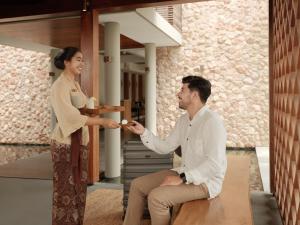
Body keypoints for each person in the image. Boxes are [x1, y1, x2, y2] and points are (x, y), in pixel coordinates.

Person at [123, 75, 227, 225]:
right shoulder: (183, 121)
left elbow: (214, 164)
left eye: (182, 90)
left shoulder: (212, 122)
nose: (178, 94)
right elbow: (165, 146)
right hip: (185, 172)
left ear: (194, 95)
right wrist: (144, 132)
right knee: (137, 185)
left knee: (156, 198)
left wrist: (182, 178)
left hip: (206, 183)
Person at [50, 47, 120, 225]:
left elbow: (81, 109)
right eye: (78, 59)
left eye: (83, 60)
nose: (82, 63)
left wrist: (94, 109)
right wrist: (103, 122)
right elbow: (70, 117)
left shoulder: (75, 83)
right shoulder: (59, 86)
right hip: (65, 144)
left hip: (81, 140)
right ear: (66, 62)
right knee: (66, 189)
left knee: (79, 188)